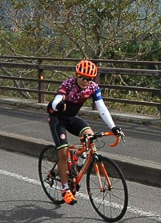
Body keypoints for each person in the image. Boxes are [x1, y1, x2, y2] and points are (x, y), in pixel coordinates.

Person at [46, 59, 123, 205]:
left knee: (90, 137)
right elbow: (56, 100)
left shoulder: (93, 87)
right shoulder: (68, 84)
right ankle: (65, 189)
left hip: (71, 118)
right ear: (77, 75)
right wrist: (59, 103)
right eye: (82, 77)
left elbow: (102, 108)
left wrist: (113, 127)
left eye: (89, 79)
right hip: (57, 120)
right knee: (62, 153)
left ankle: (76, 157)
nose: (85, 81)